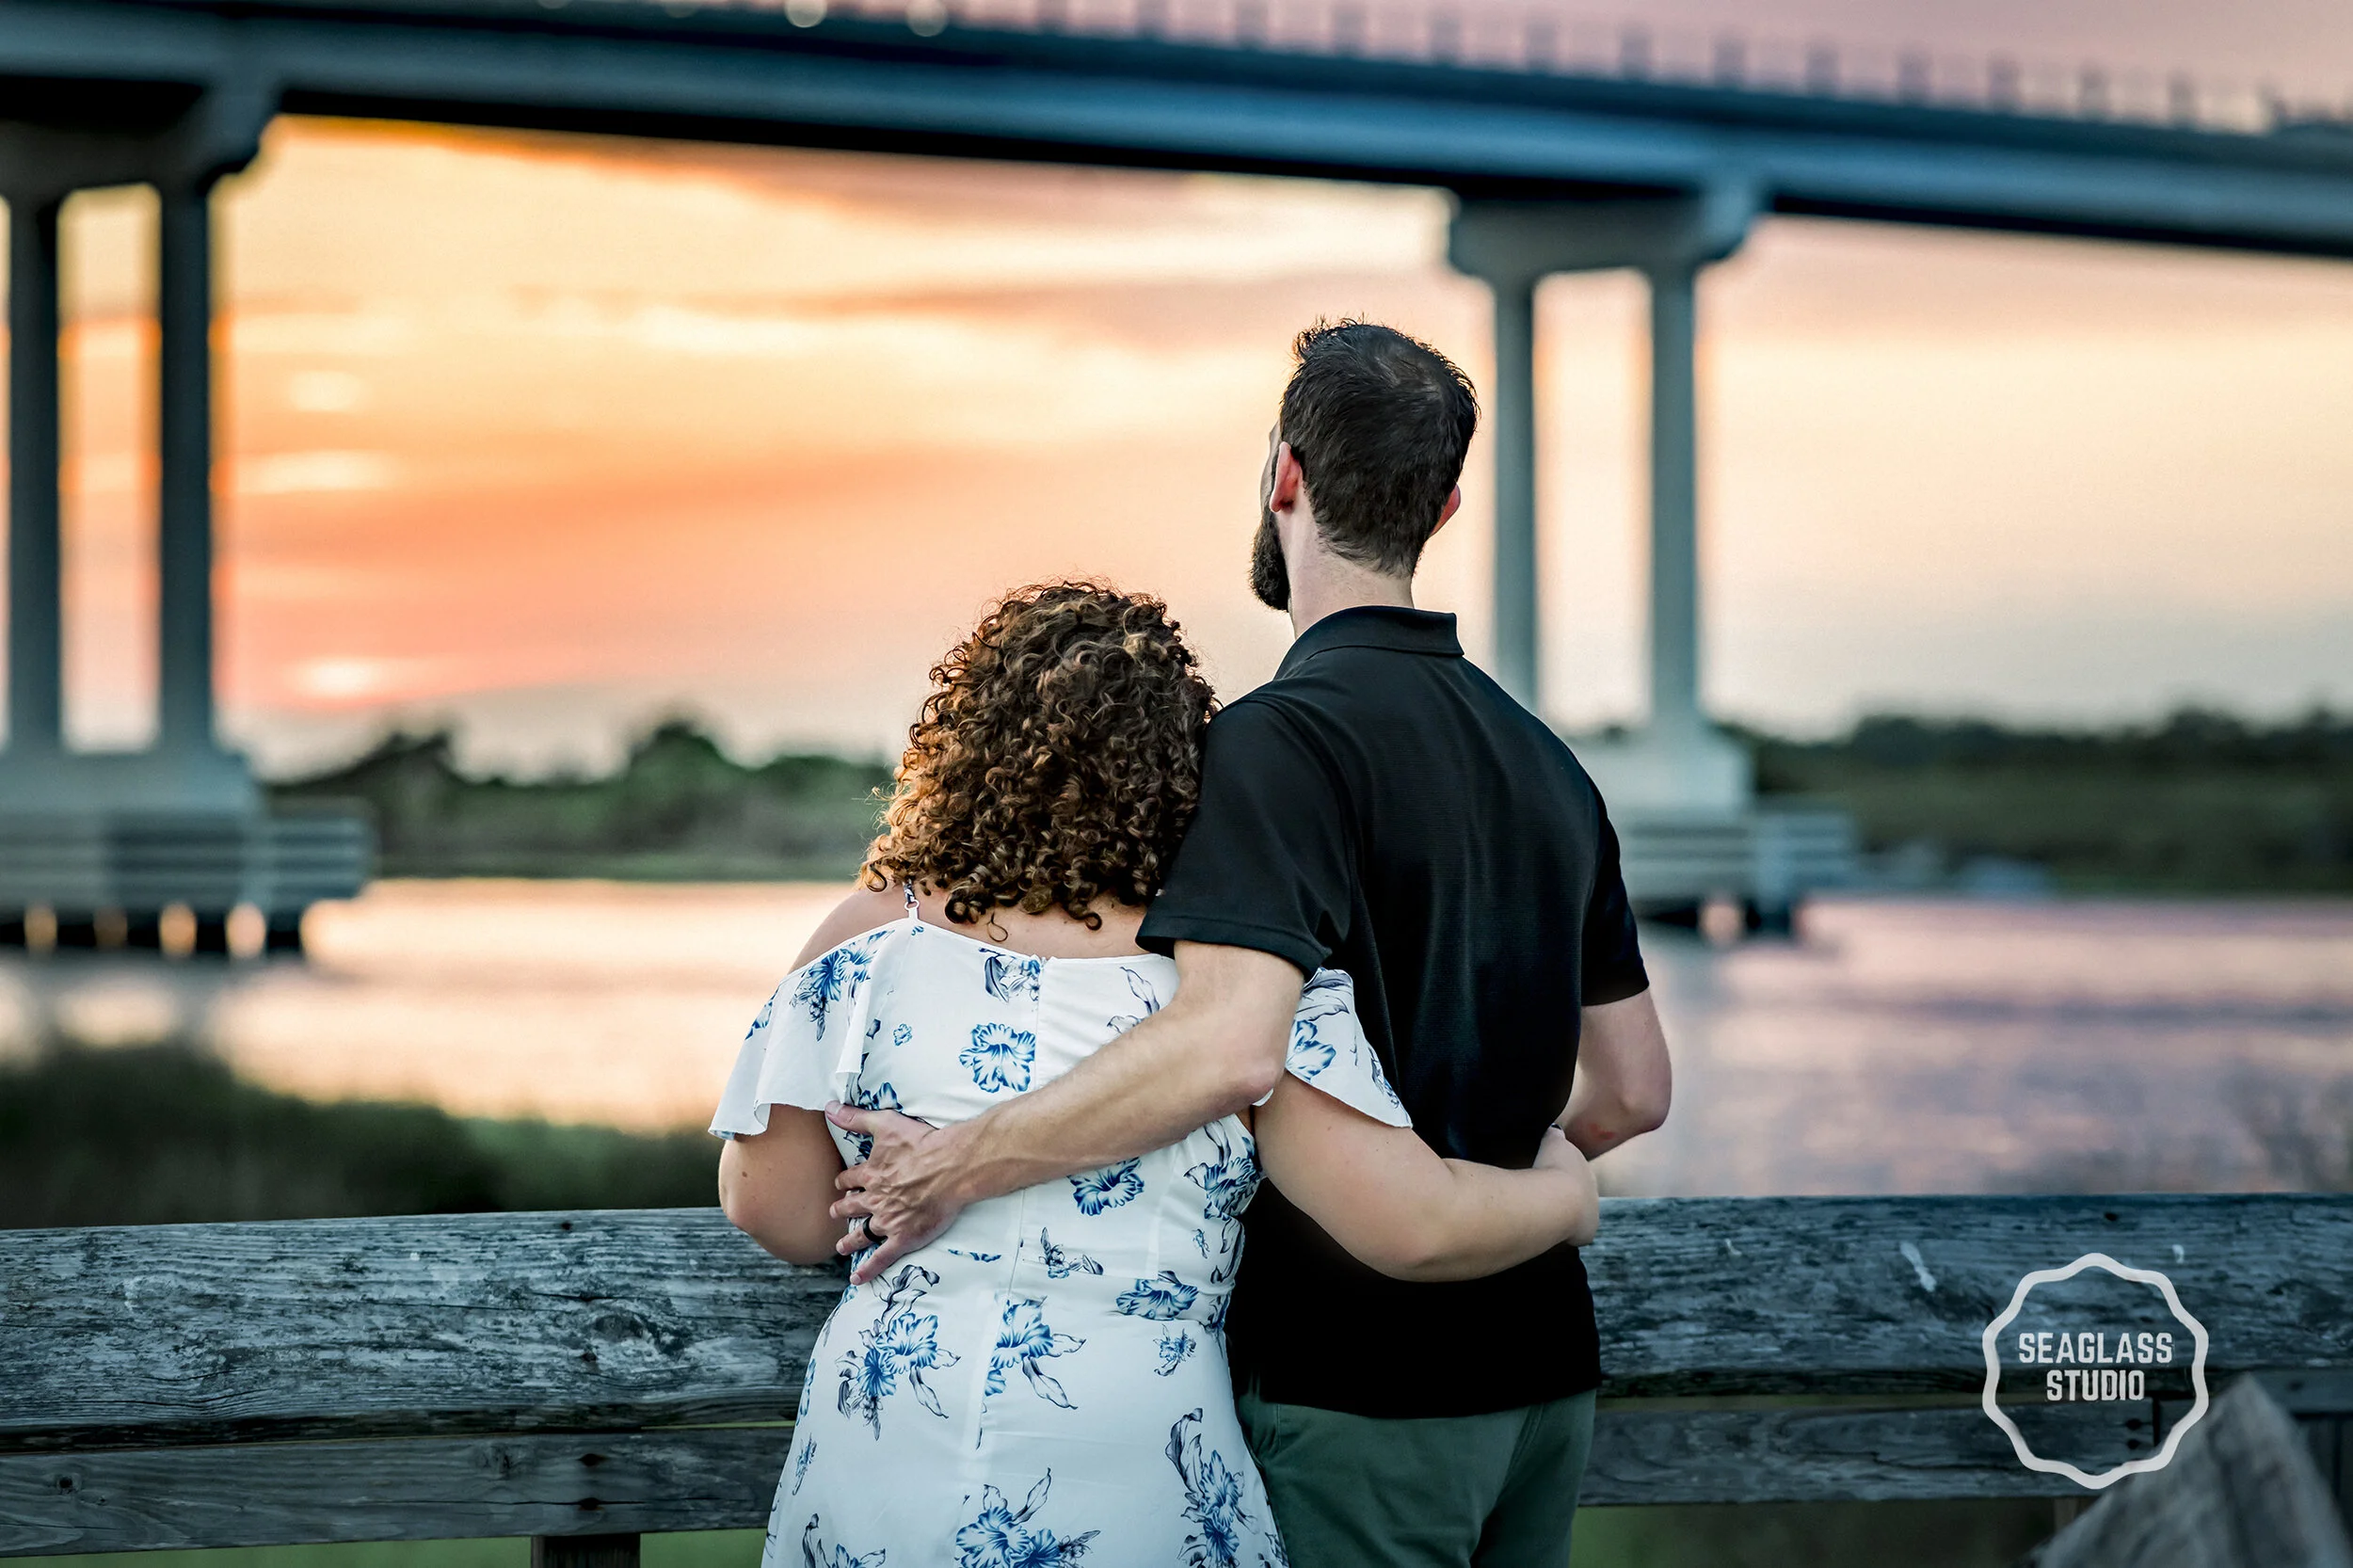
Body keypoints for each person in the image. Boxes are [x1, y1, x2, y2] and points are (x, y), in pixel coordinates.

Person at [828, 321, 1673, 1568]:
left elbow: (1227, 1046)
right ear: (1441, 505)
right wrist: (1540, 1184)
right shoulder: (1547, 762)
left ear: (1285, 474)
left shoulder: (1275, 745)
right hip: (1543, 1381)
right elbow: (1637, 1088)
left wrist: (956, 1162)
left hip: (1358, 1390)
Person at [712, 582, 1601, 1568]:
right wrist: (1565, 1195)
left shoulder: (871, 941)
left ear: (963, 746)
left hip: (886, 1442)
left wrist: (908, 1198)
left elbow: (770, 1206)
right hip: (1126, 1454)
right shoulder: (1236, 981)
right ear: (1181, 771)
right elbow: (1412, 1225)